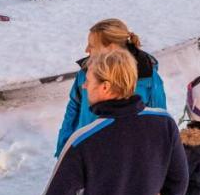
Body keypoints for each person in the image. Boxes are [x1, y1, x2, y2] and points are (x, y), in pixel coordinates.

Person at [35, 48, 188, 195]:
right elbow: (178, 184)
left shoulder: (83, 142)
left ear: (105, 87)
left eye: (88, 81)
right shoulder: (164, 124)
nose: (84, 87)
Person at [55, 19, 169, 156]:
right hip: (86, 149)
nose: (86, 50)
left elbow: (158, 122)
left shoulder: (147, 77)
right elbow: (73, 109)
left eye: (92, 45)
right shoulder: (86, 72)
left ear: (111, 47)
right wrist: (64, 147)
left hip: (126, 157)